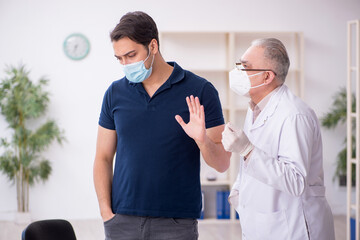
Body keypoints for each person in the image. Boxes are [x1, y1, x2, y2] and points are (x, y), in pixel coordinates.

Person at [93, 11, 230, 240]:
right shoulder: (115, 93)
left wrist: (202, 140)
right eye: (120, 59)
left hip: (176, 224)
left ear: (153, 46)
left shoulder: (200, 91)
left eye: (131, 55)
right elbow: (103, 157)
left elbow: (223, 163)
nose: (125, 64)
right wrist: (106, 213)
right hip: (122, 221)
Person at [222, 38, 335, 240]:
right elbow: (254, 164)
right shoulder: (255, 108)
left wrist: (247, 150)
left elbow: (296, 181)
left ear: (267, 76)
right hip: (262, 223)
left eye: (245, 67)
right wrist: (238, 193)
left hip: (293, 228)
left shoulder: (294, 115)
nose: (237, 72)